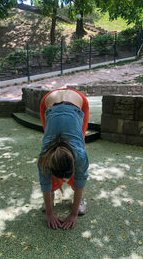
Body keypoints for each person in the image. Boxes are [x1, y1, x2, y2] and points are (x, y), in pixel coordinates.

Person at [37, 88, 89, 230]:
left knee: (80, 142)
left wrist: (74, 214)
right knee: (48, 172)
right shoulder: (44, 157)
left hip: (78, 100)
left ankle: (79, 201)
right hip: (48, 101)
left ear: (73, 160)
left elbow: (81, 178)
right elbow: (44, 180)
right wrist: (49, 213)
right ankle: (51, 196)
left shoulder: (80, 155)